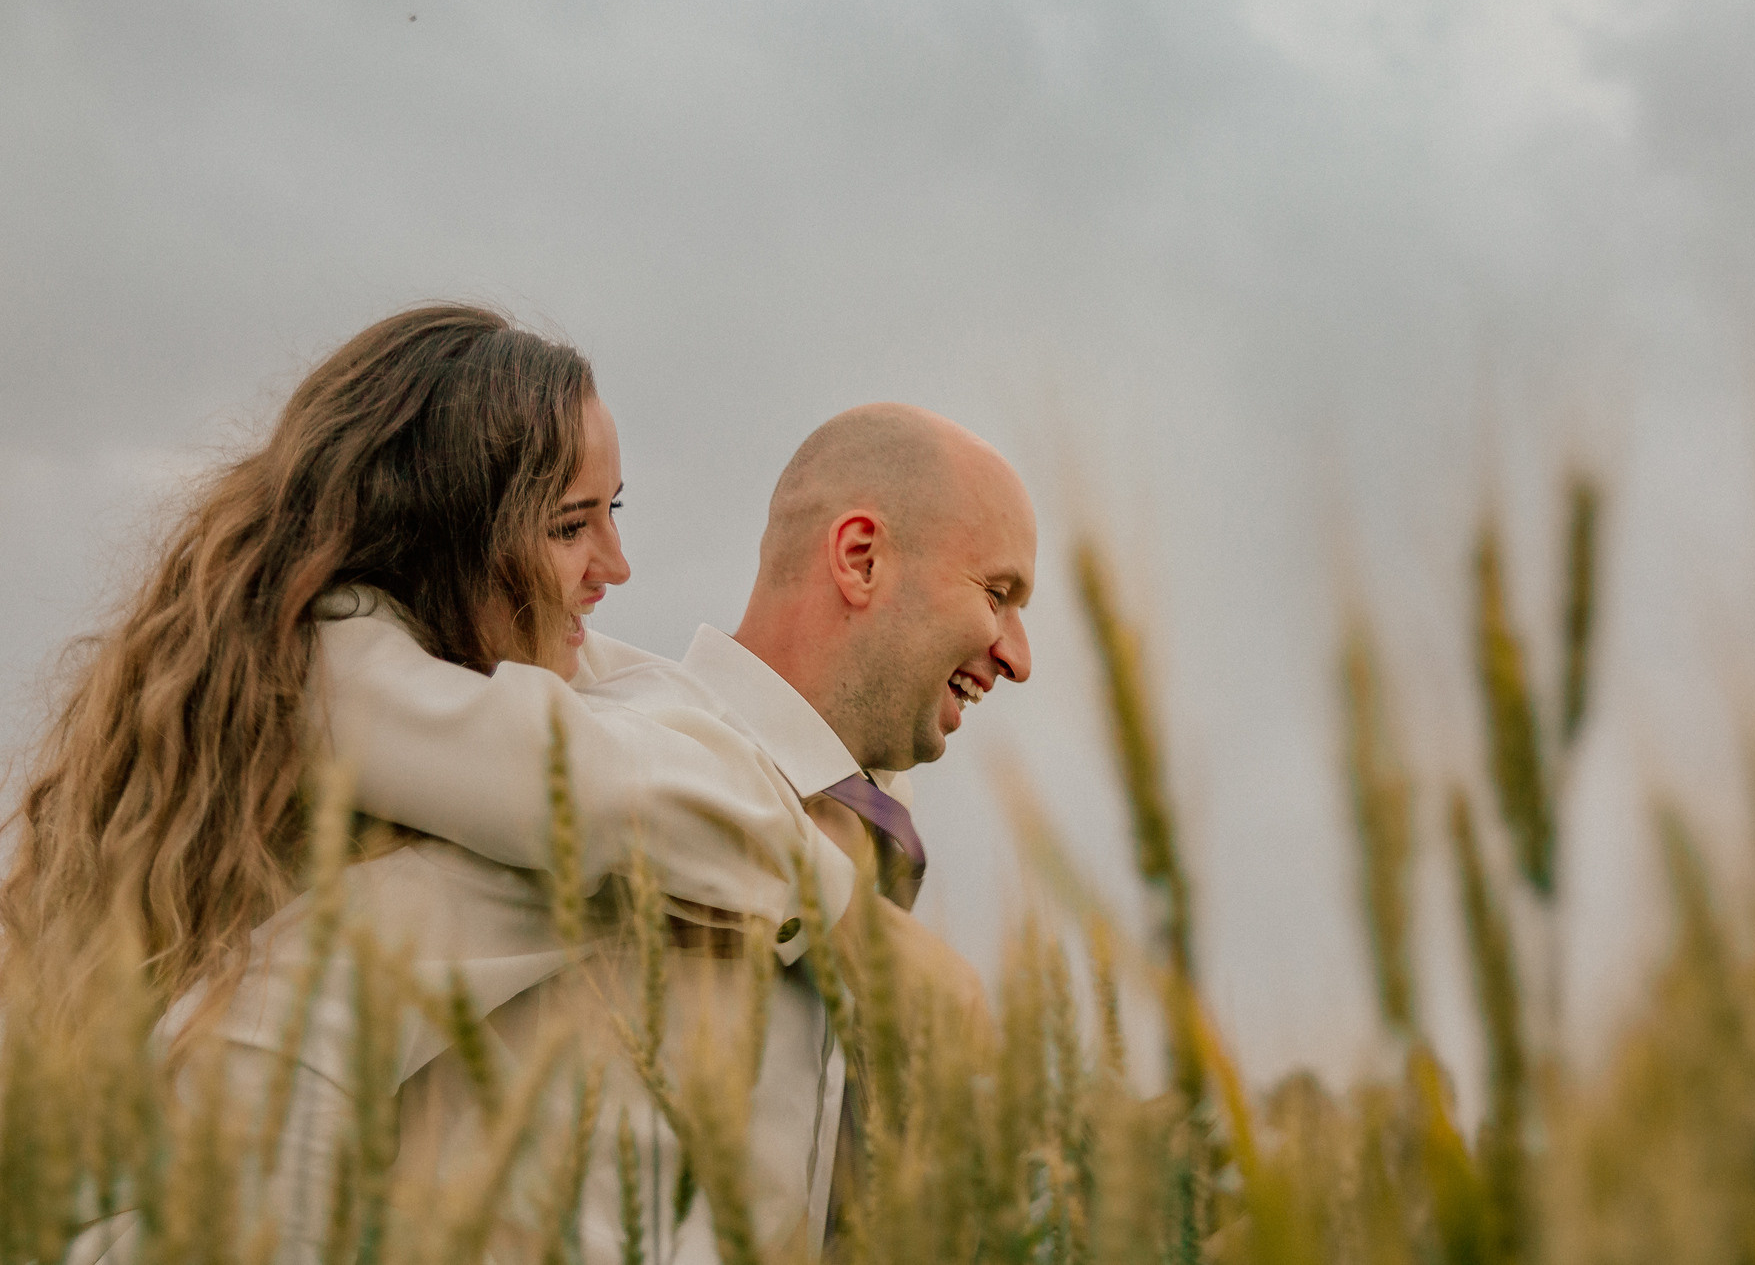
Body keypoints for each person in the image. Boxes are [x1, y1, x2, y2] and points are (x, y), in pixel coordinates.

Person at [8, 304, 856, 1262]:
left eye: (612, 511)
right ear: (444, 534)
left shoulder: (415, 665)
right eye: (571, 525)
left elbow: (657, 724)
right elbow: (624, 799)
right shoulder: (337, 673)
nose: (614, 565)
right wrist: (825, 889)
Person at [313, 401, 1036, 1260]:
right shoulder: (588, 780)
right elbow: (280, 1026)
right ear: (860, 557)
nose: (1018, 656)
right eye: (997, 595)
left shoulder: (868, 835)